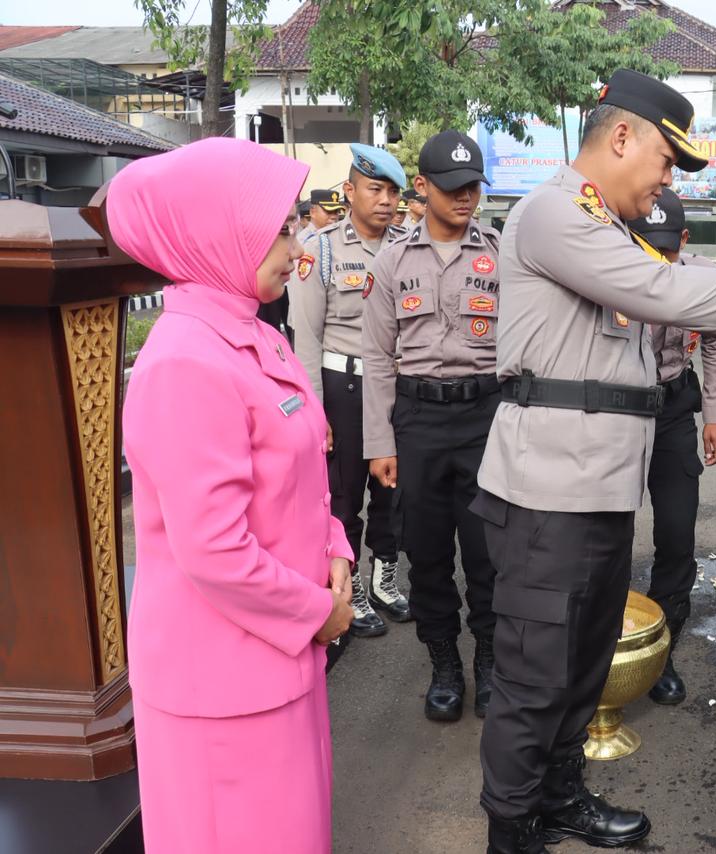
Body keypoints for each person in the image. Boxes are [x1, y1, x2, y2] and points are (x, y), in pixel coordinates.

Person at [468, 68, 716, 853]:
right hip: (546, 497)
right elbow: (663, 290)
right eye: (666, 160)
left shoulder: (606, 228)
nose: (668, 179)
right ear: (620, 137)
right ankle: (511, 834)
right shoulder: (553, 213)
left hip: (599, 495)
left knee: (580, 669)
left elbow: (676, 282)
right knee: (533, 681)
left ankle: (559, 796)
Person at [111, 138, 355, 853]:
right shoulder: (185, 362)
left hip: (277, 661)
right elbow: (213, 548)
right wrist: (320, 612)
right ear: (219, 231)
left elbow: (303, 466)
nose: (297, 242)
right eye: (280, 227)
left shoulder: (253, 333)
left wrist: (334, 547)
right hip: (222, 687)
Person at [362, 130, 501, 721]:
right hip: (417, 420)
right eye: (452, 187)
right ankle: (444, 663)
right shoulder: (394, 259)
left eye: (473, 186)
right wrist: (379, 442)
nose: (465, 197)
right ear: (422, 188)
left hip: (485, 417)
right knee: (428, 553)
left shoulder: (500, 254)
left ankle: (489, 662)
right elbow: (375, 357)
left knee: (489, 552)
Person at [291, 143, 408, 641]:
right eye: (375, 189)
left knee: (394, 490)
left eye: (392, 192)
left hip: (399, 384)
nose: (385, 201)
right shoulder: (320, 250)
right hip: (344, 384)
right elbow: (307, 338)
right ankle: (350, 585)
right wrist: (317, 413)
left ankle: (384, 577)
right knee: (345, 495)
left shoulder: (407, 245)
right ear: (350, 191)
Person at [624, 187, 716, 705]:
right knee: (610, 531)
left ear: (684, 240)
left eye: (665, 249)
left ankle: (663, 648)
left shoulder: (700, 275)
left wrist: (715, 417)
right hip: (618, 411)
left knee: (676, 530)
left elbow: (715, 344)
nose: (655, 259)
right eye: (645, 244)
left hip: (671, 412)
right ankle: (609, 644)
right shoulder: (614, 267)